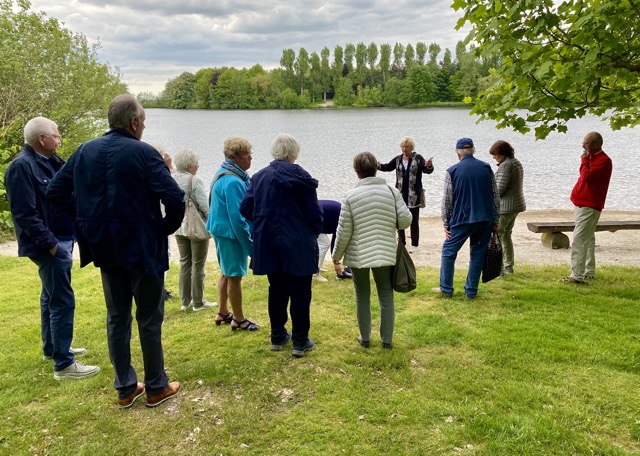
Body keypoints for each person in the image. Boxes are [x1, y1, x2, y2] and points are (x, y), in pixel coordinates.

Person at [47, 94, 183, 408]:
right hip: (142, 248)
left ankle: (124, 388)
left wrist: (87, 218)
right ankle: (155, 386)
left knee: (117, 317)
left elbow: (55, 191)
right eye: (144, 122)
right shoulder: (145, 153)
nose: (144, 127)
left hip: (105, 247)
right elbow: (174, 198)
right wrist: (162, 229)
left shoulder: (84, 151)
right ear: (134, 122)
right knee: (149, 318)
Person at [5, 117, 99, 380]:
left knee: (50, 295)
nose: (59, 140)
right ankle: (64, 365)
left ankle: (53, 348)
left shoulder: (52, 162)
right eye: (56, 136)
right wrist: (52, 245)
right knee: (62, 300)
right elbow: (24, 214)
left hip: (61, 238)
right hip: (48, 244)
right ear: (42, 139)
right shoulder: (21, 167)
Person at [240, 133, 323, 358]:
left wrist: (263, 221)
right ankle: (300, 340)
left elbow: (245, 208)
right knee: (300, 292)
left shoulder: (258, 178)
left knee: (276, 289)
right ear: (294, 154)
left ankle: (278, 336)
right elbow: (315, 214)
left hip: (269, 242)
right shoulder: (302, 178)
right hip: (298, 242)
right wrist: (313, 231)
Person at [332, 152, 412, 349]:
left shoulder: (350, 196)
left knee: (362, 295)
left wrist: (336, 257)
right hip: (385, 252)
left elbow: (343, 232)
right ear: (376, 168)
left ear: (357, 171)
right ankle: (387, 340)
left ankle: (365, 338)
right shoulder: (392, 192)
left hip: (359, 255)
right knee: (386, 295)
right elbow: (405, 220)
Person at [432, 138, 499, 299]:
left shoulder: (452, 171)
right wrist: (496, 218)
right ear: (473, 150)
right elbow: (495, 195)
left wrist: (446, 223)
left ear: (458, 153)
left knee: (448, 251)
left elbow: (447, 200)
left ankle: (446, 288)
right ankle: (471, 291)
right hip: (485, 218)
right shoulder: (486, 167)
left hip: (462, 218)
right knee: (477, 254)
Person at [206, 137, 257, 330]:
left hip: (221, 231)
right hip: (230, 234)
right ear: (234, 156)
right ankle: (239, 318)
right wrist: (249, 245)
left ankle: (223, 311)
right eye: (246, 154)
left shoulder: (222, 173)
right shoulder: (234, 182)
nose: (250, 158)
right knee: (234, 276)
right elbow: (238, 218)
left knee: (226, 273)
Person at [562, 132, 613, 284]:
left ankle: (576, 275)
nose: (583, 146)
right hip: (582, 204)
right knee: (588, 238)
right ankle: (588, 271)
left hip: (590, 205)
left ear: (596, 145)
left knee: (579, 239)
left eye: (586, 143)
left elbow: (586, 177)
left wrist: (584, 160)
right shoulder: (593, 158)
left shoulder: (603, 161)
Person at [172, 149, 216, 311]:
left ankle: (185, 302)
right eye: (196, 164)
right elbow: (205, 208)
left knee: (184, 263)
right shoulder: (194, 181)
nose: (198, 166)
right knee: (198, 264)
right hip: (196, 228)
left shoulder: (172, 178)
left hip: (179, 226)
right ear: (190, 166)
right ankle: (198, 302)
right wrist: (213, 225)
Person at [377, 136, 433, 252]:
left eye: (407, 147)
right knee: (400, 218)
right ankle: (401, 243)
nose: (404, 149)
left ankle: (415, 245)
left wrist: (429, 165)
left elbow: (427, 170)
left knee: (414, 220)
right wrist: (378, 166)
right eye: (403, 146)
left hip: (414, 195)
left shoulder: (418, 158)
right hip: (400, 195)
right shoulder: (398, 159)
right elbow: (387, 167)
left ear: (411, 147)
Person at [489, 140, 526, 275]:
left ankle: (500, 270)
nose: (494, 158)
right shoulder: (515, 162)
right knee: (506, 237)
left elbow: (500, 189)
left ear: (503, 153)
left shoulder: (506, 165)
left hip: (505, 208)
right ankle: (508, 268)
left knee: (498, 236)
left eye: (496, 155)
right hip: (515, 205)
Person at [314, 199, 352, 282]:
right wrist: (336, 262)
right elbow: (336, 240)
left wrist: (335, 259)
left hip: (312, 213)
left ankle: (313, 266)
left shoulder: (343, 210)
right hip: (311, 217)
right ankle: (314, 273)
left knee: (317, 244)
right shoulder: (344, 218)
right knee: (324, 243)